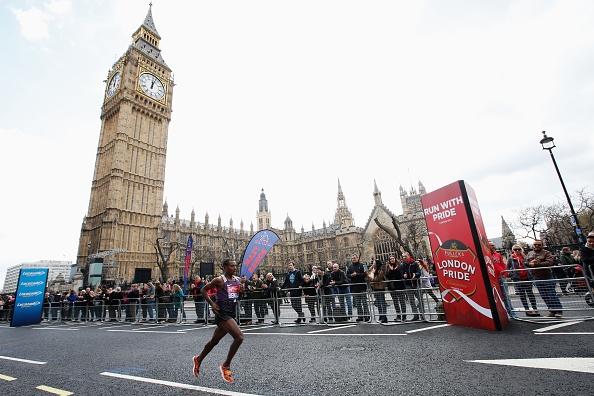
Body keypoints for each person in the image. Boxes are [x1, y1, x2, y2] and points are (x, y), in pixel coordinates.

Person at [193, 259, 244, 383]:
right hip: (222, 313)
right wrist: (211, 303)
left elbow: (238, 297)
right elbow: (203, 290)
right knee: (239, 337)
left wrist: (242, 292)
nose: (234, 268)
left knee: (214, 341)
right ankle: (226, 365)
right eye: (232, 266)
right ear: (225, 267)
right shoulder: (219, 280)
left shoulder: (237, 280)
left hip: (231, 312)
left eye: (235, 266)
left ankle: (198, 359)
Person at [526, 240, 563, 318]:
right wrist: (530, 263)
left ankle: (559, 311)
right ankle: (552, 310)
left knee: (551, 294)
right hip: (537, 277)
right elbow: (525, 262)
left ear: (542, 245)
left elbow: (549, 262)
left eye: (539, 245)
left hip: (547, 276)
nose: (536, 246)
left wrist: (536, 264)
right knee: (544, 295)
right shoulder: (530, 253)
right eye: (535, 245)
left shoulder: (546, 253)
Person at [506, 245, 539, 317]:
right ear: (513, 250)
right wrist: (512, 274)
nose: (517, 251)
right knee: (522, 294)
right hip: (518, 279)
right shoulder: (511, 258)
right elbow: (507, 267)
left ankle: (535, 308)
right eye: (515, 249)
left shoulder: (525, 257)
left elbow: (530, 265)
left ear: (521, 250)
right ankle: (527, 309)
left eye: (518, 249)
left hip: (527, 277)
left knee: (530, 294)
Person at [489, 241, 513, 317]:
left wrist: (505, 273)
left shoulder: (498, 254)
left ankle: (511, 313)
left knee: (505, 296)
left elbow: (502, 264)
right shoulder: (486, 255)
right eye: (491, 245)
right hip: (492, 278)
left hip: (501, 277)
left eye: (493, 245)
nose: (493, 246)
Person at [347, 254, 370, 322]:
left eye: (354, 258)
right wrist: (351, 275)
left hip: (362, 286)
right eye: (352, 258)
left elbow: (366, 274)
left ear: (357, 258)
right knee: (358, 303)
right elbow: (347, 275)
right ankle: (360, 316)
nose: (353, 259)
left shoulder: (363, 265)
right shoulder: (350, 267)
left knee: (364, 302)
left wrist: (357, 274)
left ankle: (367, 315)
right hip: (354, 287)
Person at [400, 252, 422, 321]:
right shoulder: (402, 265)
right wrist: (404, 276)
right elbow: (401, 274)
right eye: (403, 257)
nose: (404, 258)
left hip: (416, 284)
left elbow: (419, 272)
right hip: (408, 284)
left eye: (405, 256)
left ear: (409, 256)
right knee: (411, 300)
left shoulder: (414, 263)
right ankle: (416, 315)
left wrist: (415, 274)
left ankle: (422, 314)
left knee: (420, 300)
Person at [386, 255, 406, 322]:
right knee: (395, 302)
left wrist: (395, 270)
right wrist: (391, 270)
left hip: (399, 286)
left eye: (393, 258)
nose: (392, 260)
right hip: (392, 287)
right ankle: (398, 315)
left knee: (402, 301)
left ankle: (404, 316)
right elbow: (387, 276)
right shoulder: (388, 267)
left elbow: (400, 276)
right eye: (390, 259)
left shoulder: (399, 266)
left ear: (395, 259)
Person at [368, 259, 387, 323]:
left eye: (374, 263)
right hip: (374, 287)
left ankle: (384, 316)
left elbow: (375, 279)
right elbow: (369, 273)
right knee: (378, 302)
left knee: (382, 302)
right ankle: (380, 315)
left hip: (380, 287)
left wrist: (368, 275)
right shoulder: (372, 270)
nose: (373, 264)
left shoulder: (380, 271)